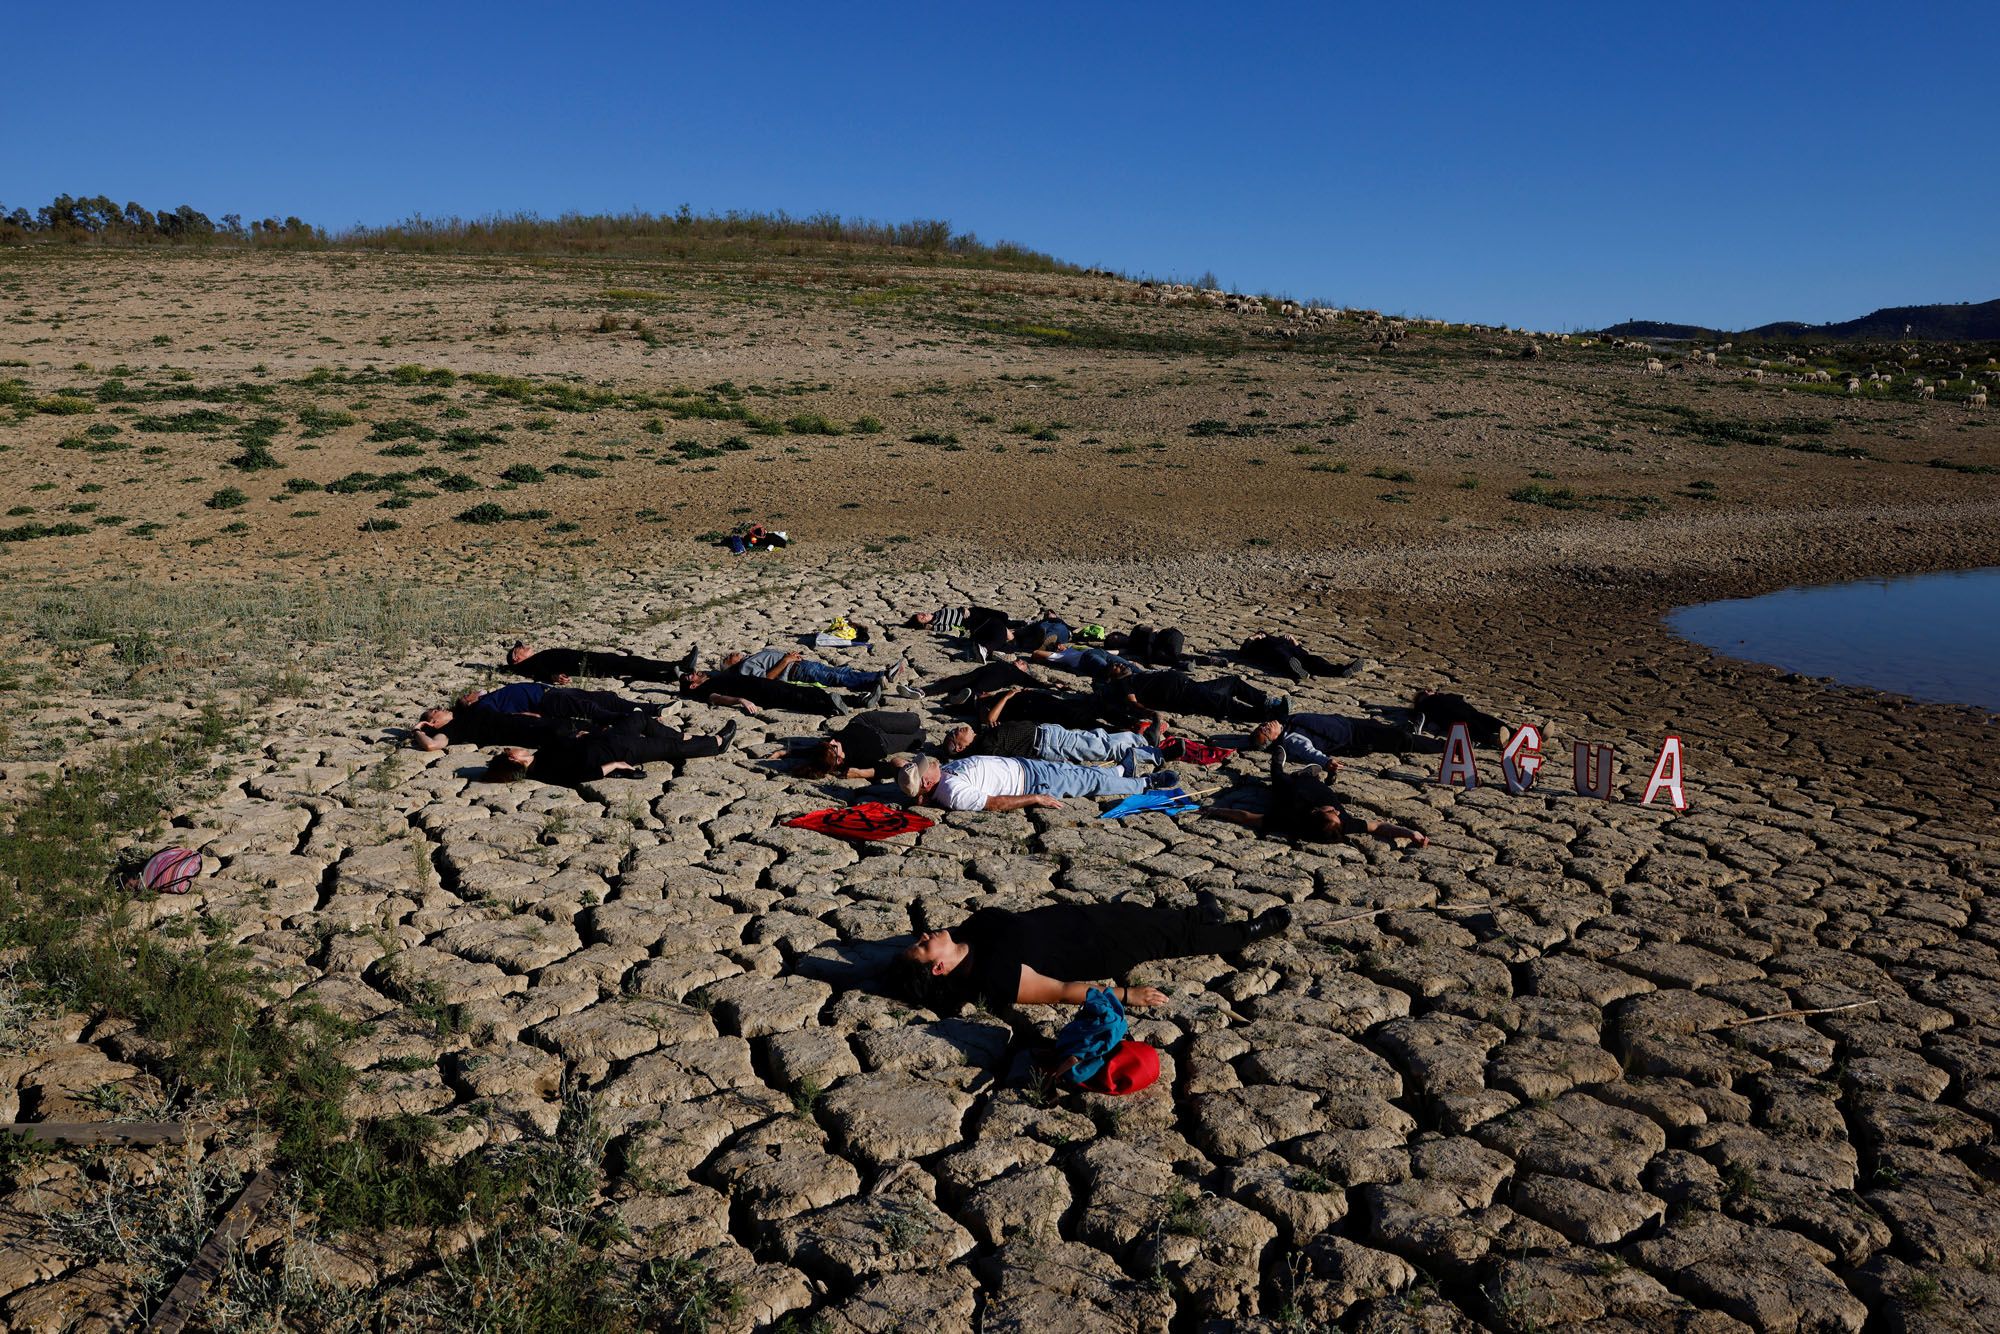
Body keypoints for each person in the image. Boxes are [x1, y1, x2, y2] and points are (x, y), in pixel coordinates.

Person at [896, 896, 1293, 1011]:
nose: (925, 934)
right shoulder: (994, 976)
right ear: (940, 968)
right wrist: (1127, 995)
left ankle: (1200, 915)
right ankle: (1245, 933)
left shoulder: (968, 932)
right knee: (1169, 939)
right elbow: (1063, 990)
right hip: (1100, 949)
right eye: (922, 946)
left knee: (1143, 914)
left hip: (1087, 920)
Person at [1209, 749, 1427, 846]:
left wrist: (1215, 810)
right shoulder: (1344, 824)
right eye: (1336, 813)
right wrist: (1410, 833)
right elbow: (1379, 827)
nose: (1337, 811)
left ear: (1316, 814)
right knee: (1310, 778)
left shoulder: (1290, 819)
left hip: (1289, 788)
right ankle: (1309, 773)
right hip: (1314, 785)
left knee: (1278, 777)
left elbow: (1247, 817)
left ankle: (1281, 766)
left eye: (1331, 812)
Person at [482, 715, 736, 787]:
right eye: (508, 751)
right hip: (619, 750)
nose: (510, 748)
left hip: (605, 737)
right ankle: (716, 744)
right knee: (671, 748)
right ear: (514, 758)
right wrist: (615, 766)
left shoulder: (540, 757)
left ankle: (684, 734)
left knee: (640, 719)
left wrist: (580, 735)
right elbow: (582, 774)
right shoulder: (545, 771)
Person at [895, 753, 1178, 812]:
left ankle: (1118, 772)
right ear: (927, 783)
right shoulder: (951, 791)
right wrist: (1035, 798)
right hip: (1031, 782)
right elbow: (993, 804)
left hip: (1026, 767)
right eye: (924, 768)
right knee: (1087, 782)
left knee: (1079, 773)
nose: (928, 762)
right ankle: (1144, 784)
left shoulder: (941, 774)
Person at [940, 720, 1162, 776]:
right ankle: (1148, 750)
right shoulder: (984, 749)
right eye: (954, 733)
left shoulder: (983, 737)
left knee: (1097, 737)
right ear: (959, 748)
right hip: (1047, 744)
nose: (957, 728)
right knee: (1099, 748)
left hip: (1048, 733)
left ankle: (1138, 739)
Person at [1095, 664, 1285, 730]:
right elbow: (1132, 702)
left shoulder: (1135, 675)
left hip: (1190, 686)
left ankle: (1265, 701)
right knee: (1223, 703)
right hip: (1182, 696)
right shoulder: (1124, 684)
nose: (1120, 666)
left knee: (1232, 682)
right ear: (1111, 678)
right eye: (1116, 668)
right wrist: (1151, 714)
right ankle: (1266, 716)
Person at [786, 710, 927, 780]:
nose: (833, 741)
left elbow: (810, 753)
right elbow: (886, 769)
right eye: (833, 746)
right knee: (920, 737)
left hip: (866, 722)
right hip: (884, 743)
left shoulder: (823, 751)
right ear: (839, 759)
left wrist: (785, 752)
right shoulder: (854, 763)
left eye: (829, 742)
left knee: (914, 721)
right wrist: (860, 773)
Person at [1251, 712, 1429, 767]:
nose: (1266, 725)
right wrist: (1327, 761)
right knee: (1399, 740)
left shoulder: (1285, 722)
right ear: (1272, 740)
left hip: (1347, 724)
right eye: (1265, 730)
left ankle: (1410, 730)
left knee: (1381, 728)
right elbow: (1308, 751)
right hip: (1352, 737)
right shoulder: (1290, 739)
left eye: (1262, 725)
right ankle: (1444, 746)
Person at [721, 647, 915, 695]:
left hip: (799, 665)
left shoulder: (748, 661)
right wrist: (787, 660)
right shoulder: (744, 668)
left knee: (841, 672)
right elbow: (766, 679)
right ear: (730, 666)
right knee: (836, 676)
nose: (734, 653)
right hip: (795, 671)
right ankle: (879, 677)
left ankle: (877, 679)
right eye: (730, 657)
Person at [681, 669, 857, 717]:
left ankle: (856, 701)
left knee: (803, 691)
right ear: (693, 686)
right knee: (797, 698)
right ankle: (830, 707)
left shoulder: (713, 678)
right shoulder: (704, 690)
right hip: (761, 694)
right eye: (692, 676)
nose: (697, 673)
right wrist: (741, 700)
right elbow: (717, 699)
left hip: (764, 684)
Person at [505, 641, 694, 685]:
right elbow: (539, 673)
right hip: (588, 665)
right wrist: (552, 676)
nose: (525, 645)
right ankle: (678, 665)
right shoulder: (526, 665)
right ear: (516, 657)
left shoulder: (530, 662)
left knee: (632, 668)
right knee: (632, 663)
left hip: (588, 662)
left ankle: (671, 675)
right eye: (520, 647)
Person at [1239, 633, 1355, 682]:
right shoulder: (1258, 645)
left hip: (1298, 653)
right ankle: (1297, 672)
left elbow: (1301, 649)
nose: (1263, 634)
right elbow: (1243, 651)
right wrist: (1253, 638)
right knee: (1285, 658)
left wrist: (1294, 640)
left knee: (1315, 660)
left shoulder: (1280, 639)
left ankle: (1342, 670)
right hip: (1277, 653)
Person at [1411, 690, 1509, 747]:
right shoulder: (1425, 706)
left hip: (1469, 712)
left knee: (1490, 721)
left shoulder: (1446, 696)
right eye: (1424, 694)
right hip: (1451, 718)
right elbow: (1421, 718)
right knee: (1474, 728)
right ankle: (1496, 740)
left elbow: (1461, 699)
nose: (1427, 692)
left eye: (1428, 690)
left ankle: (1516, 734)